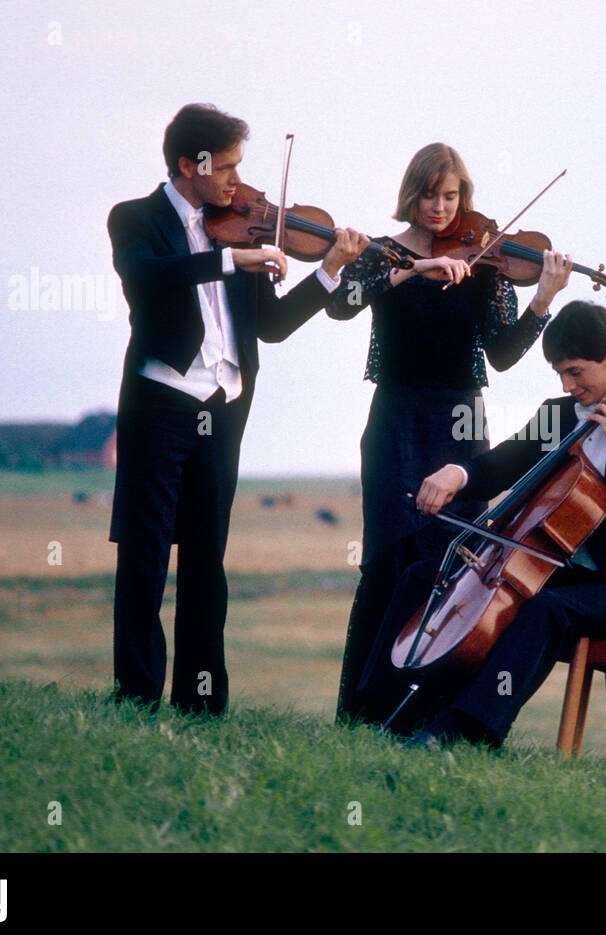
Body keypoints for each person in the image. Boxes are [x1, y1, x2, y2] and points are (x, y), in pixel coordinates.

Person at [108, 103, 367, 716]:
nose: (234, 181)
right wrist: (231, 260)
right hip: (161, 401)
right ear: (187, 164)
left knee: (206, 557)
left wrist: (330, 269)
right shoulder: (135, 219)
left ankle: (203, 703)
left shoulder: (243, 226)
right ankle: (136, 696)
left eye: (239, 167)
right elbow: (147, 277)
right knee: (145, 553)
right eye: (224, 168)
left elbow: (271, 327)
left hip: (224, 408)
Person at [357, 301, 606, 754]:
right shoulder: (556, 414)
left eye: (577, 372)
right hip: (552, 572)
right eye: (560, 373)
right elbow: (504, 464)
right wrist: (457, 475)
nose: (568, 385)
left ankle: (465, 731)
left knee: (548, 609)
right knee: (424, 574)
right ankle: (374, 711)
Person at [328, 142, 574, 723]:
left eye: (451, 195)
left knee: (453, 559)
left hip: (462, 422)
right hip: (395, 419)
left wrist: (543, 296)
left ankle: (430, 711)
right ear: (410, 195)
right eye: (429, 195)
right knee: (388, 556)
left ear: (463, 197)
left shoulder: (486, 259)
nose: (440, 207)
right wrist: (412, 269)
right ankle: (364, 709)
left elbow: (506, 353)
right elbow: (342, 304)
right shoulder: (383, 254)